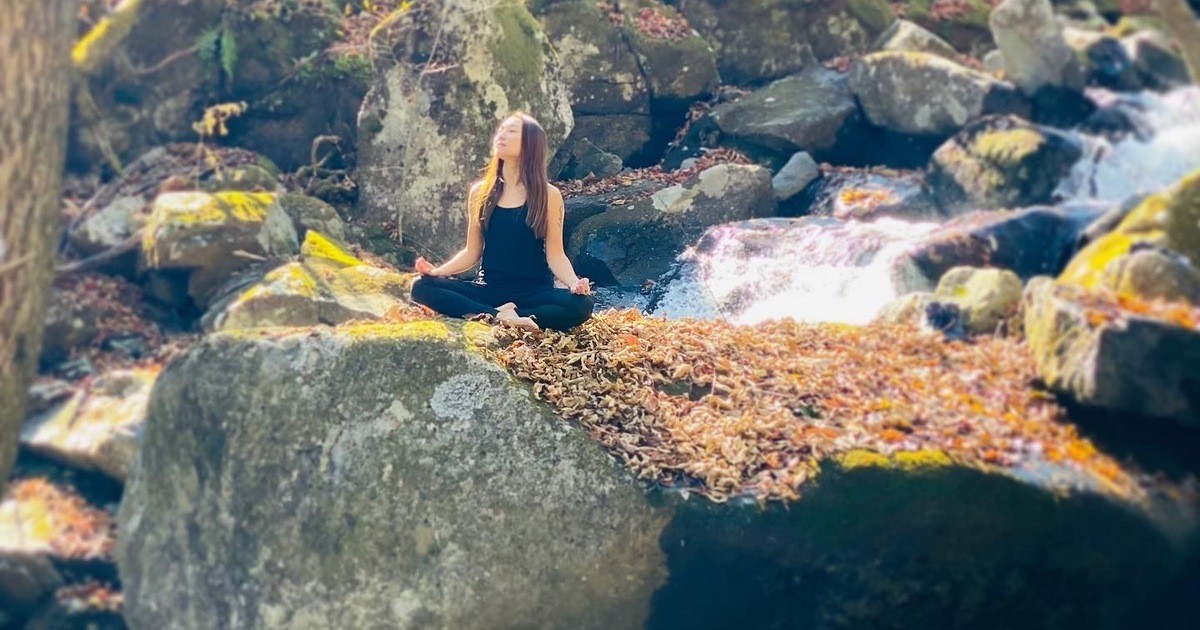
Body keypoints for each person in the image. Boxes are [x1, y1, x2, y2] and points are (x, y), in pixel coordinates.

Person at [409, 112, 595, 332]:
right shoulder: (481, 191)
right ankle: (500, 315)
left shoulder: (548, 195)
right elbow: (471, 251)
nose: (501, 135)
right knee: (421, 286)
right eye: (501, 130)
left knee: (582, 306)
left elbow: (556, 255)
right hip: (490, 289)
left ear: (529, 144)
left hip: (534, 292)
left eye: (511, 131)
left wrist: (573, 283)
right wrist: (438, 272)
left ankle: (507, 314)